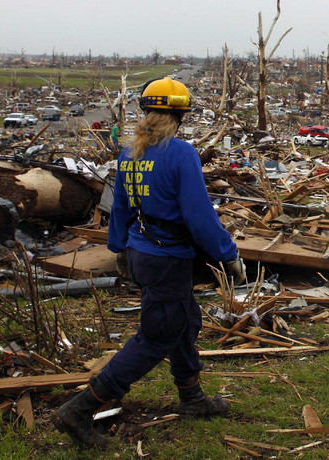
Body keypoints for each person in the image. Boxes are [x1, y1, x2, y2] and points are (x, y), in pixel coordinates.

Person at [53, 77, 246, 449]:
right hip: (167, 259)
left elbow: (120, 208)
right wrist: (228, 254)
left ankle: (191, 397)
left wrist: (120, 248)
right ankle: (80, 408)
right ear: (180, 115)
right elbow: (199, 217)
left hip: (142, 253)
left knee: (185, 320)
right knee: (157, 335)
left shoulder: (131, 153)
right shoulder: (181, 154)